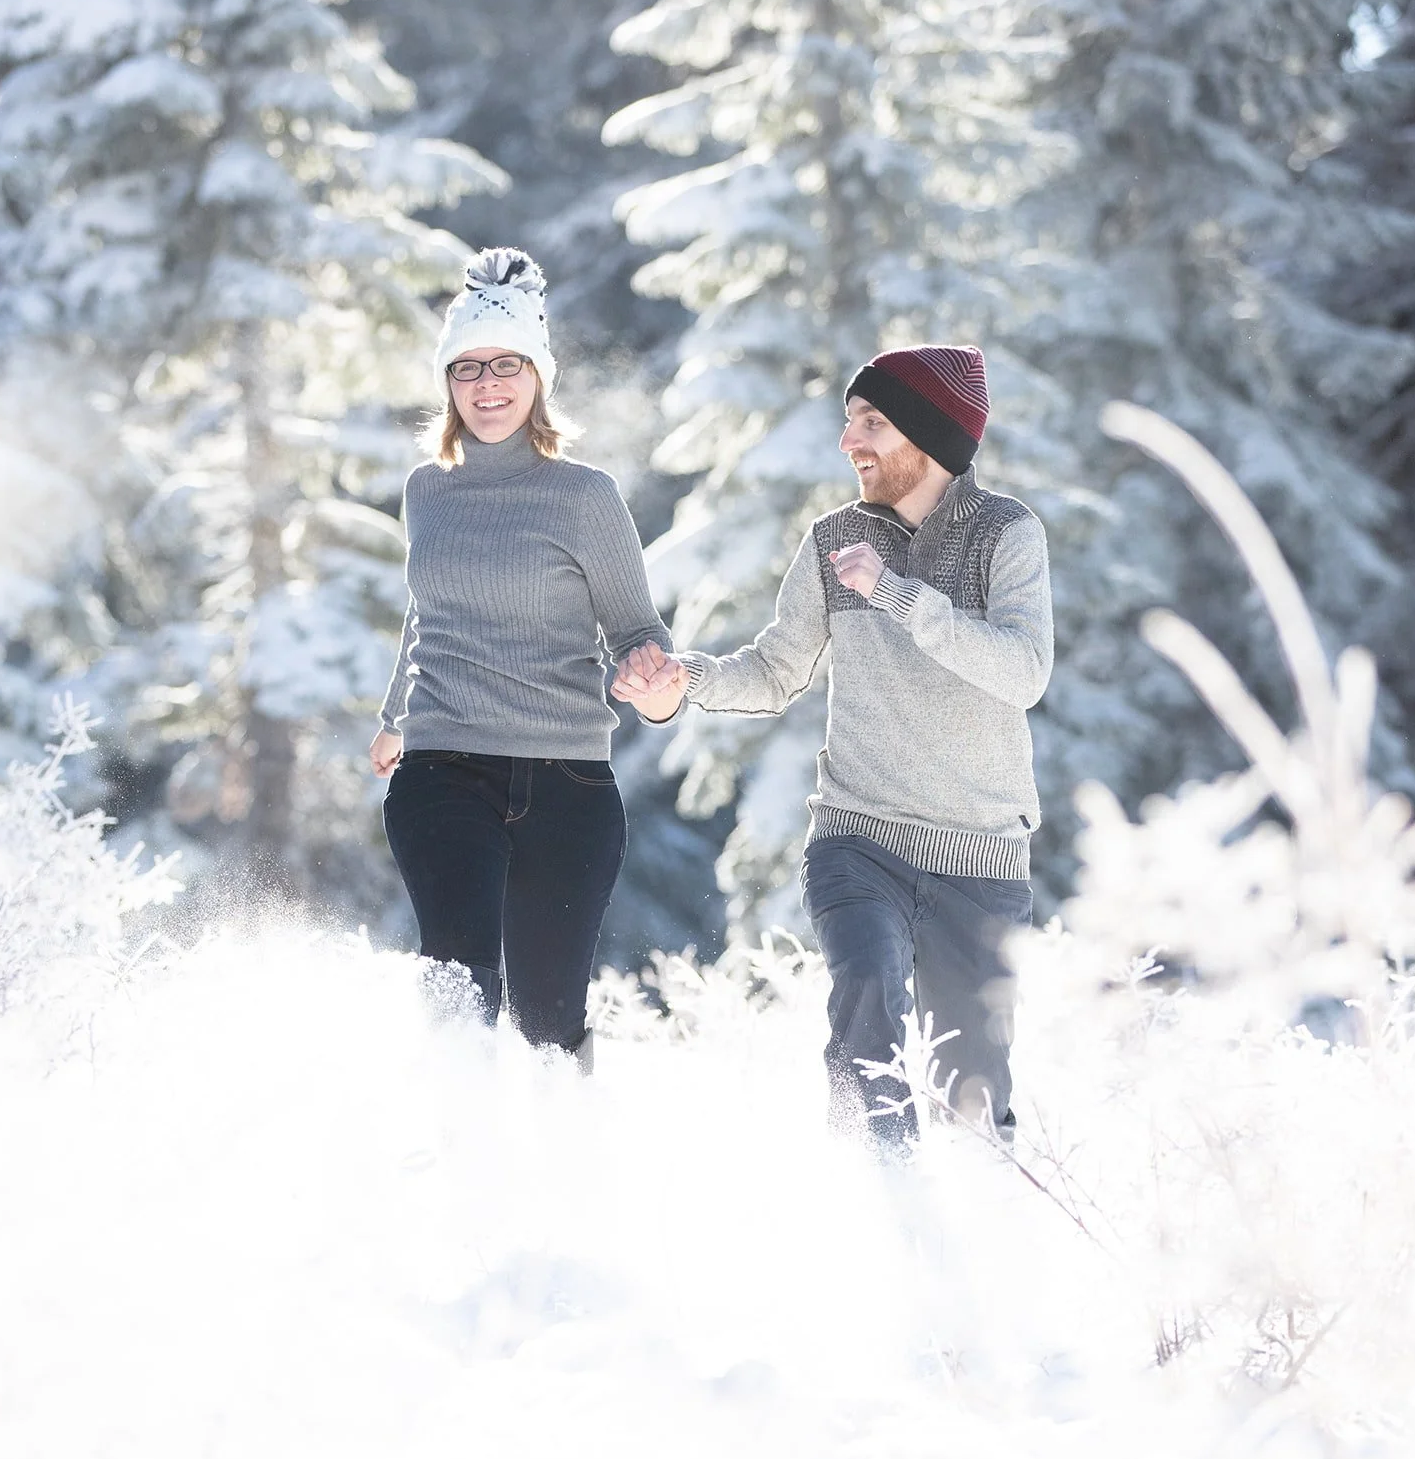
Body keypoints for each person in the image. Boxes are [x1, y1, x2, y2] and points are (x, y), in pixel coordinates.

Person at [614, 345, 1053, 1147]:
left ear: (930, 435)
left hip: (980, 859)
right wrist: (685, 683)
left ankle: (981, 1234)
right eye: (850, 420)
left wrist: (892, 592)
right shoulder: (833, 541)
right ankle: (874, 1191)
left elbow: (1022, 673)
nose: (850, 441)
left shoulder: (1006, 535)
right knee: (865, 998)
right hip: (859, 838)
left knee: (974, 1095)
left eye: (872, 423)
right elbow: (776, 670)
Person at [371, 248, 676, 1069]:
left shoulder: (584, 496)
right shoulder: (426, 489)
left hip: (565, 777)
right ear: (447, 384)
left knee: (548, 1025)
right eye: (467, 367)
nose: (487, 383)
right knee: (460, 982)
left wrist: (653, 683)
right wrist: (394, 718)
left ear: (538, 376)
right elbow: (424, 609)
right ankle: (458, 1150)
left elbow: (637, 628)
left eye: (506, 363)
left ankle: (559, 1166)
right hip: (443, 765)